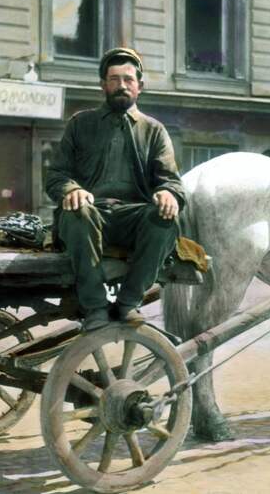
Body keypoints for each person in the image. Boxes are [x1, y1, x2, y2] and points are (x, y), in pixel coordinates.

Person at [45, 48, 185, 331]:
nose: (122, 85)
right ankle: (95, 307)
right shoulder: (80, 124)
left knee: (166, 221)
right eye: (114, 79)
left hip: (132, 220)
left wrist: (169, 193)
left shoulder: (154, 130)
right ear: (103, 85)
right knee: (78, 213)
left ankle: (128, 302)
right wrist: (71, 189)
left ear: (139, 86)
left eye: (128, 79)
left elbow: (171, 180)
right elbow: (56, 175)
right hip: (89, 216)